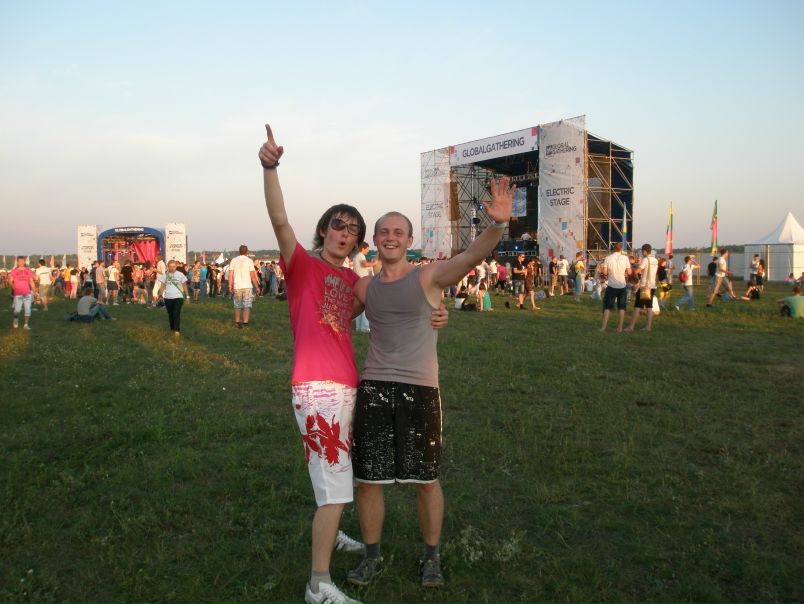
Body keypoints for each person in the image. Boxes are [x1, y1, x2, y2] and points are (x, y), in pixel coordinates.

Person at [259, 123, 447, 604]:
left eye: (353, 230)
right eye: (338, 225)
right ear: (324, 229)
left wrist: (437, 312)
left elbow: (396, 308)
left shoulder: (352, 282)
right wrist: (270, 169)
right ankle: (318, 583)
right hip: (316, 388)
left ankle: (336, 535)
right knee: (339, 486)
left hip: (351, 387)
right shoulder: (301, 265)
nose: (345, 233)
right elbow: (280, 220)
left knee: (339, 473)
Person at [348, 176, 514, 590]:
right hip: (373, 389)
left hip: (419, 390)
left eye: (398, 232)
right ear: (375, 239)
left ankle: (431, 558)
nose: (390, 238)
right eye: (384, 232)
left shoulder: (429, 276)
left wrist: (497, 225)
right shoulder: (365, 287)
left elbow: (472, 255)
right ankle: (372, 557)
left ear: (409, 241)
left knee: (426, 479)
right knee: (368, 480)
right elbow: (329, 317)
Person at [599, 242, 632, 332]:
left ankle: (604, 327)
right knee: (622, 307)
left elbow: (605, 272)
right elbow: (629, 272)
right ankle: (620, 327)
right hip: (622, 285)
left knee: (608, 307)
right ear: (621, 249)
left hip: (611, 285)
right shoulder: (625, 258)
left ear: (614, 248)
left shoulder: (608, 258)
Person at [625, 244, 658, 332]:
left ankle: (631, 327)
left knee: (637, 306)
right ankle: (648, 327)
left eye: (642, 251)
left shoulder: (645, 260)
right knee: (649, 307)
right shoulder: (655, 260)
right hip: (652, 286)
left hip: (645, 286)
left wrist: (631, 271)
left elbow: (637, 271)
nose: (642, 253)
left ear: (645, 251)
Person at [228, 245, 261, 328]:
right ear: (247, 251)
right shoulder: (249, 261)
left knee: (237, 305)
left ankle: (237, 322)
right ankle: (245, 324)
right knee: (247, 305)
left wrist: (230, 285)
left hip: (237, 285)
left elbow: (230, 275)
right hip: (247, 286)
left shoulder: (234, 260)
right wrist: (257, 287)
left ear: (239, 251)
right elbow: (253, 276)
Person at [157, 260, 189, 337]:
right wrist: (160, 295)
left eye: (173, 266)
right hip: (168, 297)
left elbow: (184, 285)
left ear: (176, 266)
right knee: (170, 314)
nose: (172, 268)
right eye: (170, 266)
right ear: (167, 267)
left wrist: (187, 296)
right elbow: (162, 286)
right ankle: (172, 328)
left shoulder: (180, 274)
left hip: (178, 297)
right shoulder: (165, 275)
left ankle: (177, 330)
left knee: (176, 313)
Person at [352, 242, 378, 332]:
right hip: (363, 282)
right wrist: (374, 263)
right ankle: (365, 327)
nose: (367, 251)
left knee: (359, 306)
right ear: (363, 248)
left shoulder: (355, 257)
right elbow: (365, 264)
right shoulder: (361, 256)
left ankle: (359, 327)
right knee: (366, 305)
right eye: (367, 249)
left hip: (357, 281)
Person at [10, 256, 35, 330]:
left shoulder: (28, 270)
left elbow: (31, 281)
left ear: (24, 262)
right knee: (17, 310)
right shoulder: (14, 271)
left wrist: (34, 291)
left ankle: (26, 324)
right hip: (18, 294)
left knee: (28, 310)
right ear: (17, 262)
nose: (22, 262)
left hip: (27, 293)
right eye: (20, 261)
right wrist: (13, 287)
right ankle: (16, 319)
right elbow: (10, 281)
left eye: (23, 261)